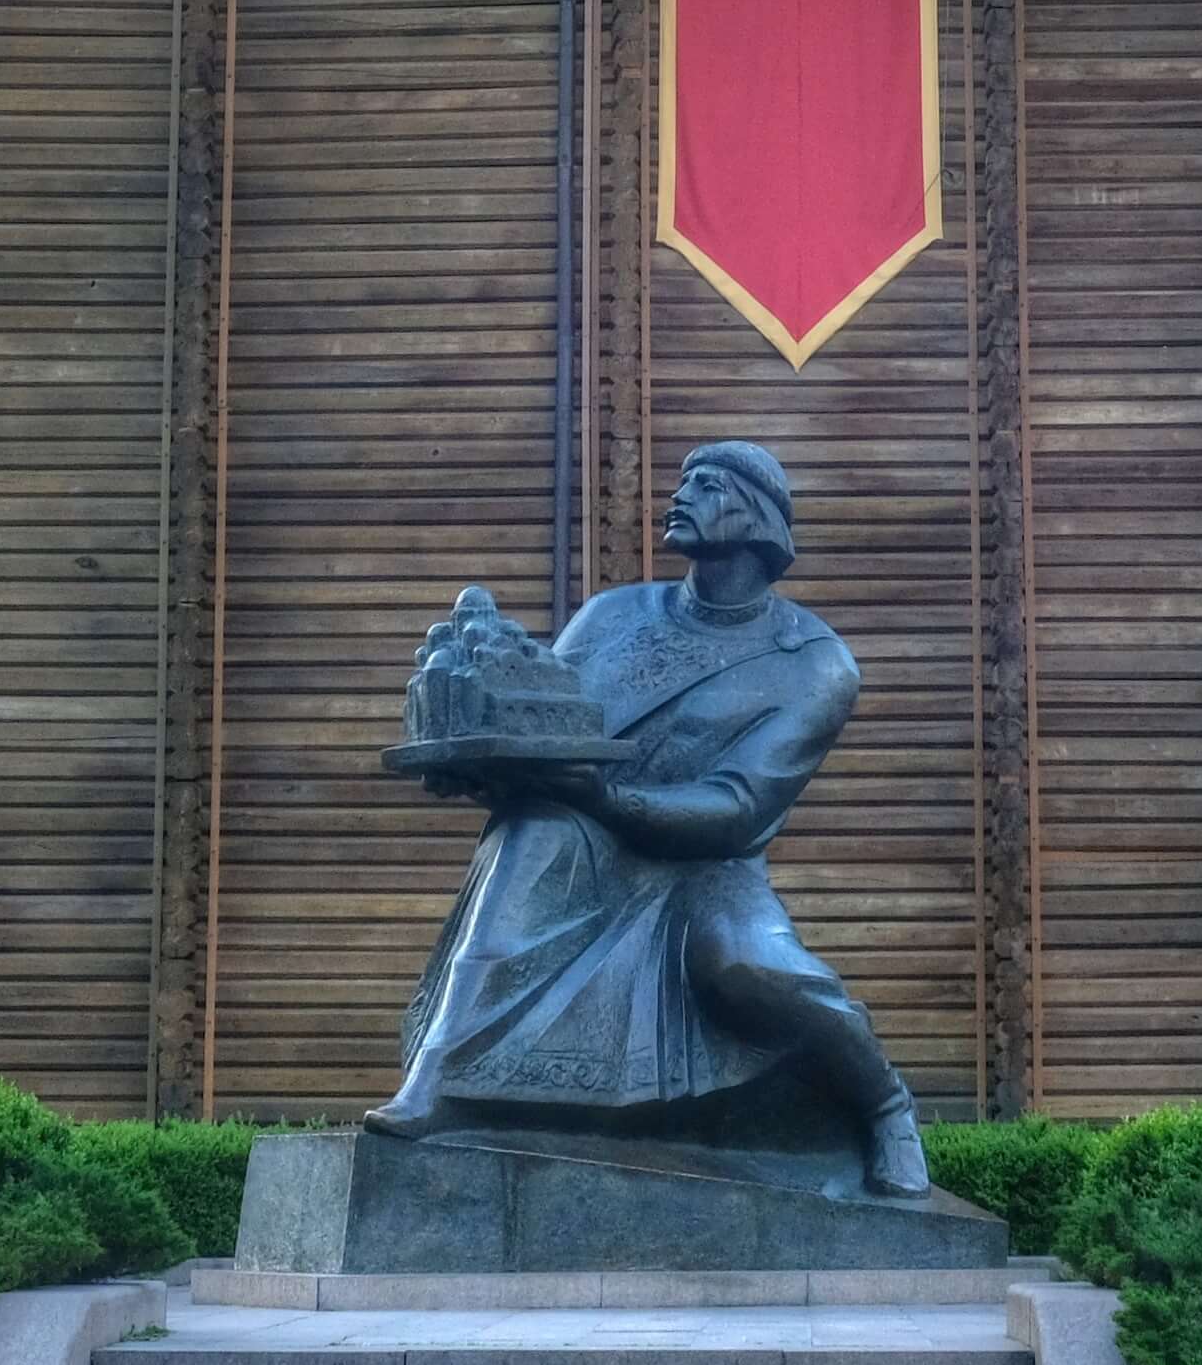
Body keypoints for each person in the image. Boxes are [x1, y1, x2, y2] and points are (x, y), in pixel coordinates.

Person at [370, 440, 931, 1198]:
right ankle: (437, 1083)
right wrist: (476, 765)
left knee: (751, 965)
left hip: (707, 867)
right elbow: (546, 728)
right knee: (530, 837)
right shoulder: (613, 615)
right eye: (684, 480)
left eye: (707, 483)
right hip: (587, 838)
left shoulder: (815, 662)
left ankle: (883, 1103)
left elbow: (739, 808)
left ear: (757, 513)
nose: (682, 493)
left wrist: (608, 799)